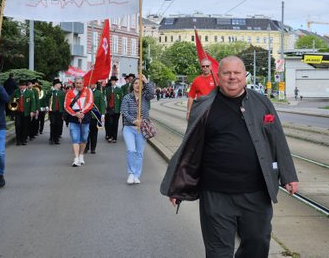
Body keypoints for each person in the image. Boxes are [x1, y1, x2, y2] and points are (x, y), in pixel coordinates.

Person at [160, 56, 299, 258]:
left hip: (256, 192)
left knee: (258, 243)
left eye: (237, 73)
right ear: (218, 76)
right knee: (218, 251)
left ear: (245, 76)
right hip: (216, 194)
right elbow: (189, 148)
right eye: (227, 73)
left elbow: (277, 139)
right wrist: (178, 186)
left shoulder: (262, 102)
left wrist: (289, 175)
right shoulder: (204, 105)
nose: (232, 77)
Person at [121, 75, 154, 184]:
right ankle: (131, 173)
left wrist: (146, 80)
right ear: (132, 85)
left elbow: (152, 93)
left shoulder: (145, 97)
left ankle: (136, 175)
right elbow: (124, 112)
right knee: (131, 150)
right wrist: (134, 120)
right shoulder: (127, 97)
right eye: (136, 83)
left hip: (142, 129)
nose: (138, 85)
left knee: (139, 153)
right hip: (129, 128)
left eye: (140, 84)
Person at [64, 76, 93, 167]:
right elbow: (66, 106)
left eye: (80, 83)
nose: (78, 85)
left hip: (85, 114)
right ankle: (76, 159)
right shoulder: (69, 93)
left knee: (84, 137)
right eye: (77, 83)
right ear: (74, 83)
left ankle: (81, 155)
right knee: (75, 137)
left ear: (83, 83)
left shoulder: (88, 91)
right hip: (74, 116)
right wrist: (75, 114)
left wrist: (82, 112)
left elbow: (90, 103)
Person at [10, 80, 36, 146]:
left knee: (25, 126)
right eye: (20, 85)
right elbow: (11, 101)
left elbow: (33, 102)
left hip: (26, 112)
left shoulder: (30, 92)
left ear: (26, 86)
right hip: (18, 112)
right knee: (18, 126)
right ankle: (18, 140)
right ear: (19, 86)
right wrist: (13, 111)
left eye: (23, 85)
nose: (22, 87)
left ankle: (24, 139)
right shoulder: (16, 92)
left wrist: (32, 111)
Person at [85, 83, 105, 154]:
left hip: (95, 116)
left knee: (94, 133)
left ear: (95, 85)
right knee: (86, 132)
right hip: (86, 115)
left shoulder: (99, 93)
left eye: (93, 84)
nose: (91, 85)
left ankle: (93, 148)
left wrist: (102, 114)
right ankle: (86, 147)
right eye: (91, 83)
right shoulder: (85, 92)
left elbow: (102, 104)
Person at [45, 79, 65, 145]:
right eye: (59, 84)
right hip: (52, 110)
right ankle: (51, 138)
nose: (60, 85)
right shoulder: (50, 91)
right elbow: (46, 99)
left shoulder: (62, 92)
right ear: (56, 85)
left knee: (58, 124)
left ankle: (56, 139)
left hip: (59, 111)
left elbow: (64, 102)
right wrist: (47, 106)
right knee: (53, 123)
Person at [104, 76, 123, 143]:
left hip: (116, 109)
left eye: (114, 81)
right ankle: (109, 136)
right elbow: (106, 100)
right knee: (110, 123)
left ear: (116, 81)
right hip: (109, 109)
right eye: (111, 81)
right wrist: (105, 108)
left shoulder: (119, 89)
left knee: (115, 123)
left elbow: (121, 100)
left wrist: (121, 109)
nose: (112, 82)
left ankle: (114, 137)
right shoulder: (107, 89)